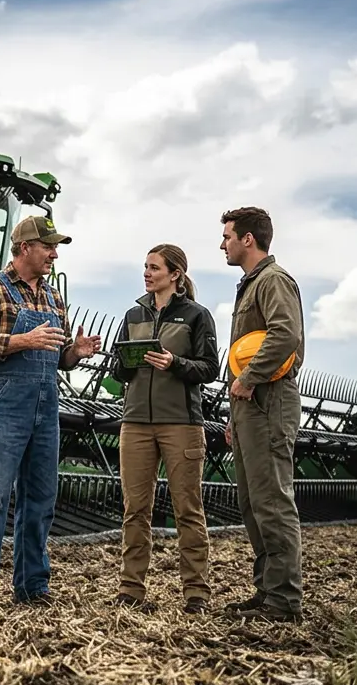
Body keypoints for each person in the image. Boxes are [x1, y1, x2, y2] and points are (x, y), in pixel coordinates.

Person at [0, 214, 102, 608]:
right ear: (25, 248)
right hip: (5, 405)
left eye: (55, 248)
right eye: (48, 247)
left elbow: (58, 357)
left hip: (45, 405)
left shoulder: (54, 297)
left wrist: (76, 352)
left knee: (40, 499)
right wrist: (25, 339)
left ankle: (32, 587)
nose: (54, 254)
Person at [110, 244, 219, 614]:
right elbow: (117, 371)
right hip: (136, 422)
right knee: (135, 508)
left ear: (175, 274)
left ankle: (196, 593)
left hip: (182, 425)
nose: (147, 273)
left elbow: (209, 369)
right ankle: (131, 589)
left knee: (187, 509)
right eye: (145, 267)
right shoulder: (132, 314)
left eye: (154, 267)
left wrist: (174, 363)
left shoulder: (197, 316)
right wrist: (127, 362)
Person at [220, 207, 305, 623]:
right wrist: (234, 416)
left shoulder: (273, 281)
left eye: (228, 237)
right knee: (252, 501)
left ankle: (284, 600)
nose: (223, 244)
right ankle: (268, 589)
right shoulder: (251, 284)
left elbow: (285, 334)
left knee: (272, 500)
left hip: (270, 399)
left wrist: (250, 377)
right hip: (250, 405)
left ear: (248, 239)